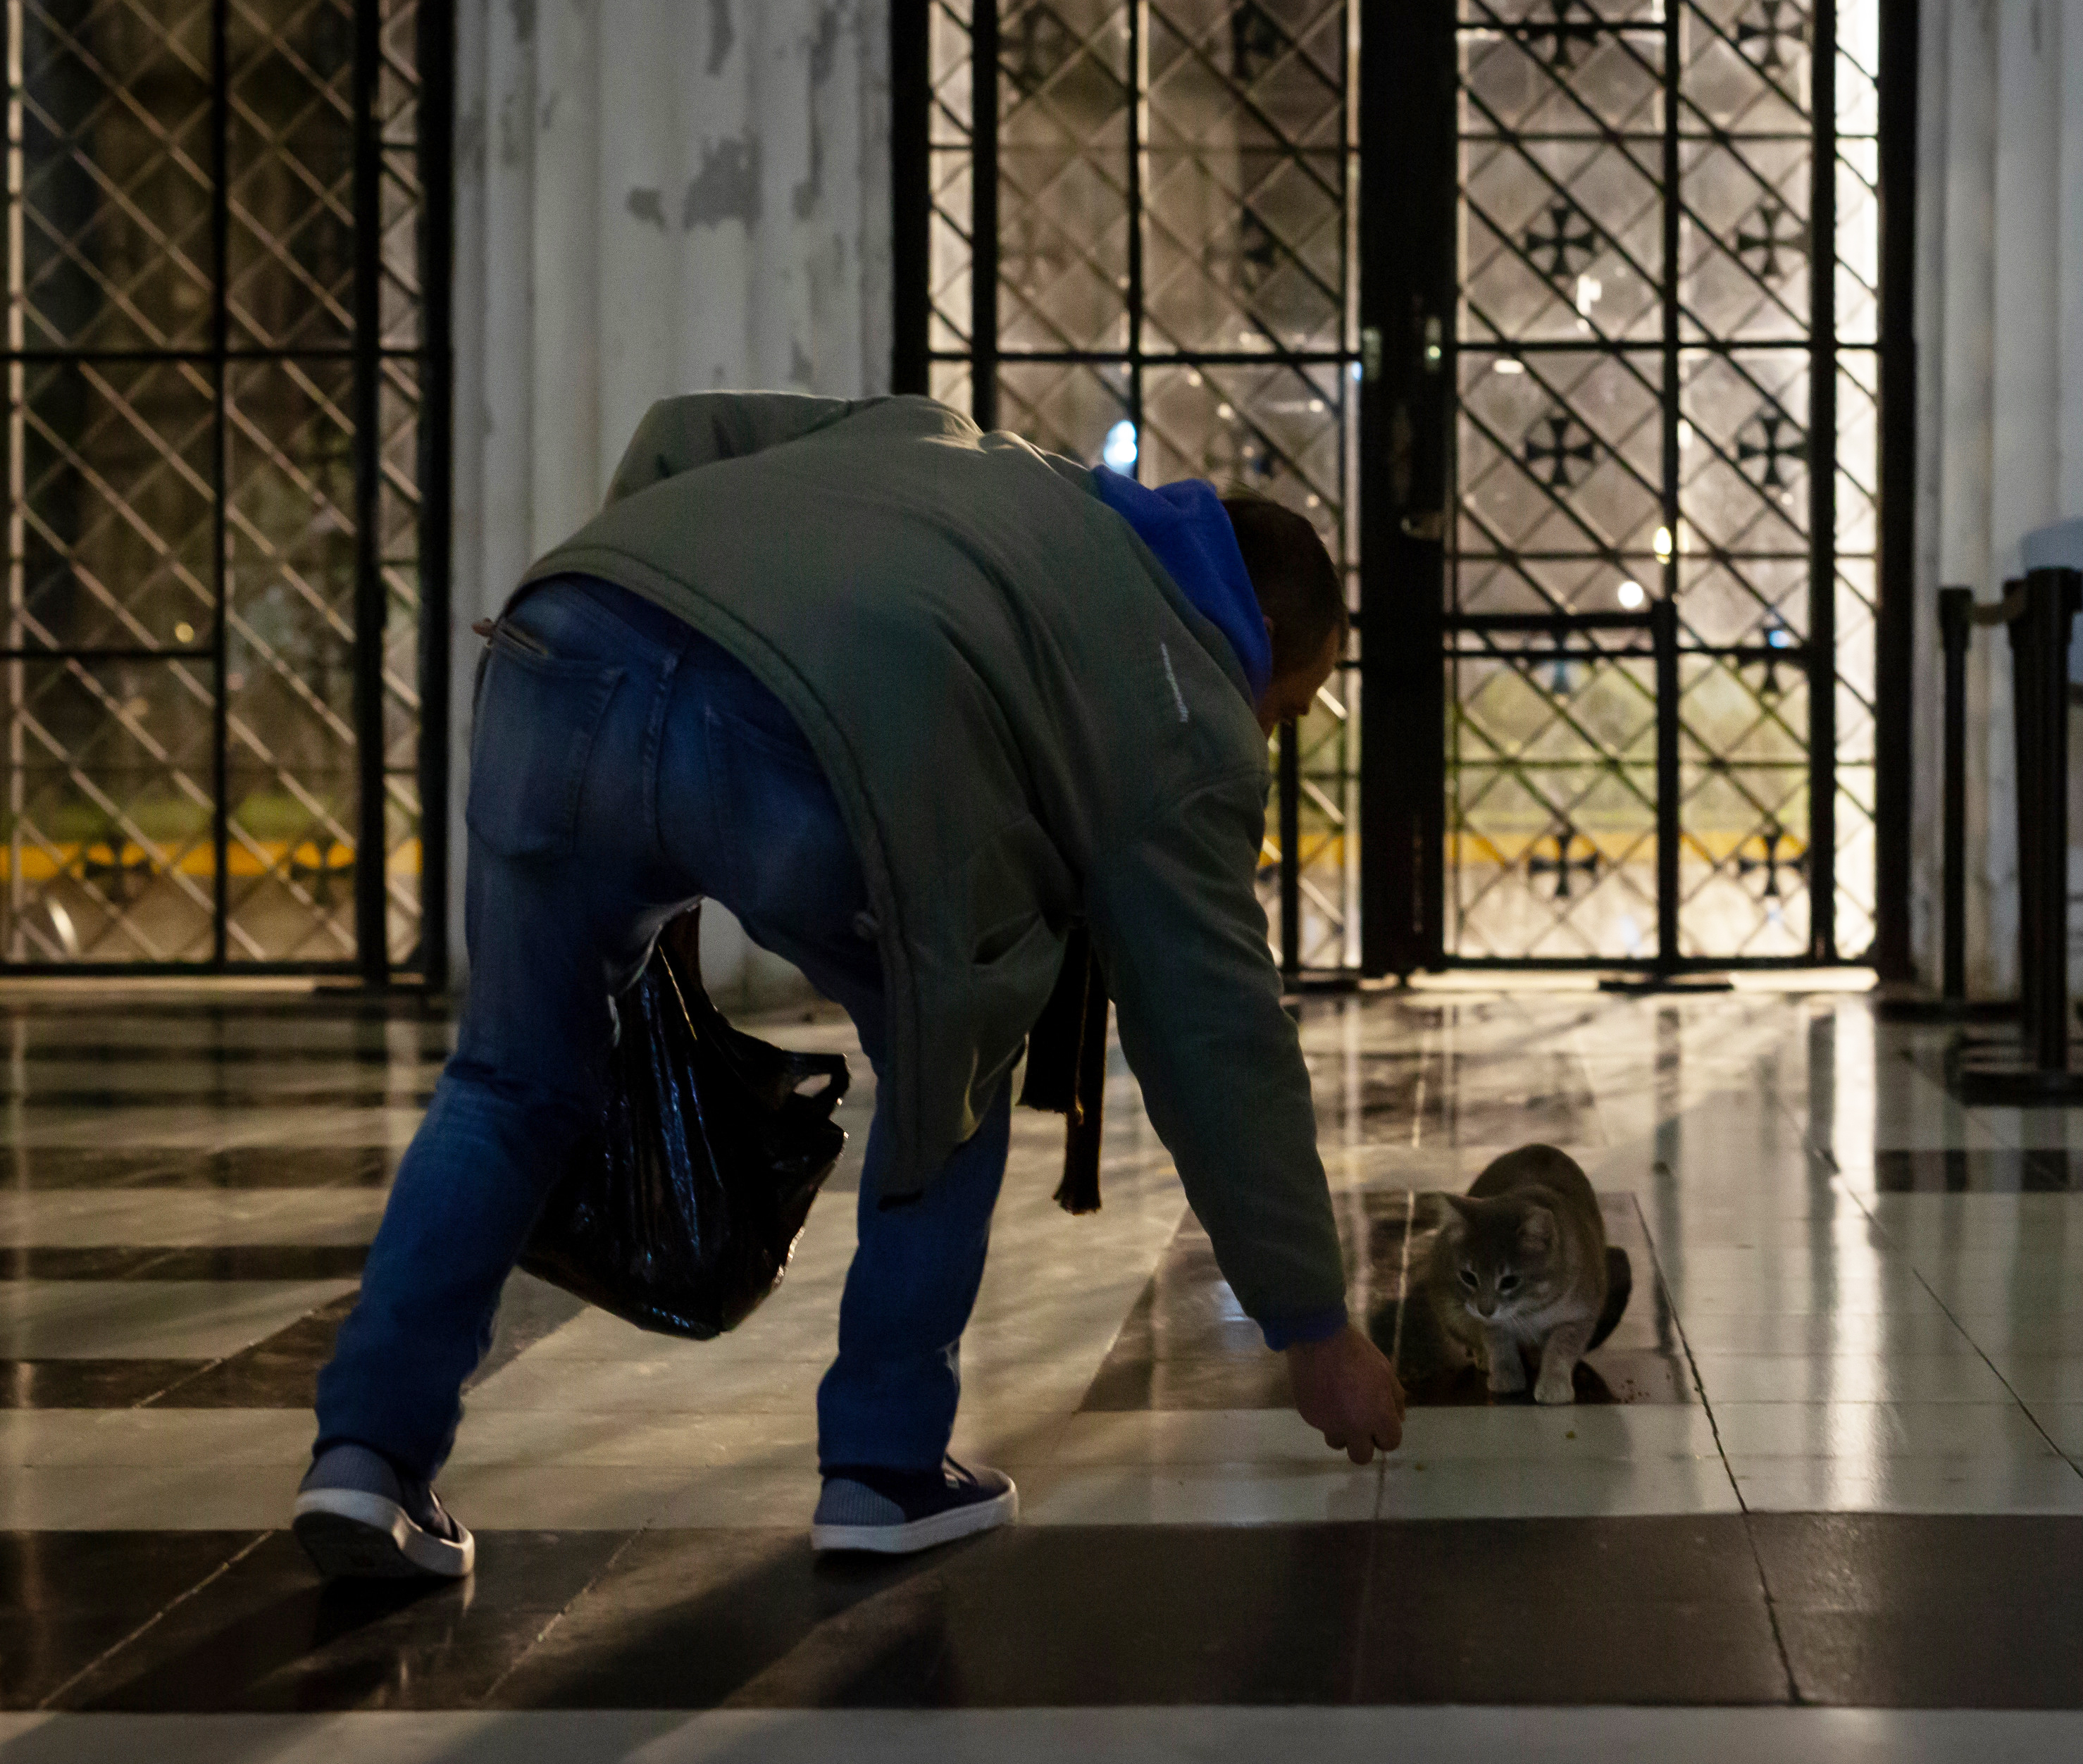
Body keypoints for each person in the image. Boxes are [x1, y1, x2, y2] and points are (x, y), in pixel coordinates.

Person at [291, 392, 1407, 1580]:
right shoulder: (1189, 700)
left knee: (510, 1079)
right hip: (810, 743)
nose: (1268, 741)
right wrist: (1312, 1321)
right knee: (956, 1065)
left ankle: (367, 1457)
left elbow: (680, 431)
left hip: (561, 645)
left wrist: (649, 653)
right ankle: (882, 1466)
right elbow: (1214, 1031)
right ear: (1266, 654)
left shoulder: (950, 447)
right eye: (1282, 715)